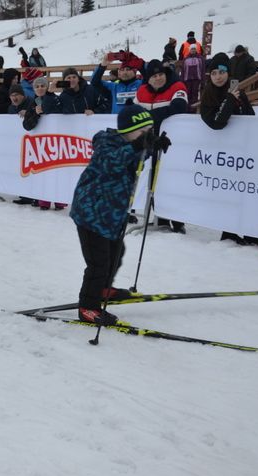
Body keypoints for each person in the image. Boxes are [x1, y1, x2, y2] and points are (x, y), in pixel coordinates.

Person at [69, 104, 170, 325]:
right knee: (98, 263)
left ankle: (104, 289)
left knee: (116, 253)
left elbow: (135, 157)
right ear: (126, 131)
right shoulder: (106, 143)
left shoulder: (133, 145)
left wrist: (154, 146)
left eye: (149, 132)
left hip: (113, 213)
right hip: (91, 212)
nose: (146, 136)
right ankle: (88, 306)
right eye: (143, 132)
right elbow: (113, 161)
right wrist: (138, 145)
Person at [199, 52, 258, 246]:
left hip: (242, 154)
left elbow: (250, 118)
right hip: (222, 155)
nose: (218, 76)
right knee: (228, 195)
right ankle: (229, 232)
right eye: (214, 72)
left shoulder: (237, 90)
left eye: (222, 72)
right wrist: (228, 100)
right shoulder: (208, 95)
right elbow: (217, 123)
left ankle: (250, 232)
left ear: (229, 72)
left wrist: (235, 98)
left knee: (246, 193)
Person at [135, 59, 189, 233]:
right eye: (154, 76)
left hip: (173, 142)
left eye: (161, 75)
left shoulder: (177, 86)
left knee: (172, 181)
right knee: (153, 179)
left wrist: (149, 116)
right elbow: (134, 113)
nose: (158, 78)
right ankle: (161, 217)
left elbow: (179, 107)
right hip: (151, 141)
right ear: (148, 79)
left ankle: (178, 222)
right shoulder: (142, 91)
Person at [25, 77, 66, 211]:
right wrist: (36, 115)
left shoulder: (55, 98)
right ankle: (44, 201)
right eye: (37, 86)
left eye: (43, 85)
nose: (40, 88)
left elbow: (60, 114)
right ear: (34, 89)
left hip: (57, 141)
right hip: (41, 144)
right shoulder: (32, 103)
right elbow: (27, 125)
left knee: (58, 172)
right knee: (43, 173)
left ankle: (59, 201)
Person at [8, 84, 38, 206]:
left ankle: (35, 195)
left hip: (32, 141)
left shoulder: (31, 102)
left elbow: (41, 112)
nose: (14, 98)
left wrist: (29, 112)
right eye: (12, 96)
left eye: (17, 95)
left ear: (23, 95)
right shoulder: (11, 108)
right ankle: (24, 194)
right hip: (18, 142)